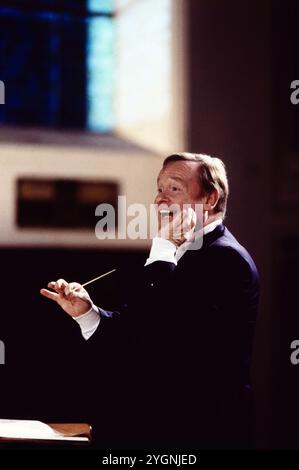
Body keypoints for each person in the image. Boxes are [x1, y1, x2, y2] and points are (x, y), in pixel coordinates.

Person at [40, 152, 260, 448]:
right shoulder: (173, 255)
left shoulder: (226, 258)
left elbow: (165, 337)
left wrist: (163, 247)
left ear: (210, 199)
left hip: (204, 434)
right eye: (159, 188)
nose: (159, 200)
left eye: (174, 188)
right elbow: (137, 328)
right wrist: (87, 312)